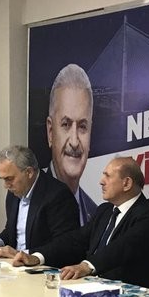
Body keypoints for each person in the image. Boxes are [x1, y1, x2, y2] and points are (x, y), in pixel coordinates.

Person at [13, 156, 149, 288]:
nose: (101, 181)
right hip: (90, 287)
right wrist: (37, 257)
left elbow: (122, 247)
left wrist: (86, 266)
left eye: (107, 176)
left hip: (126, 296)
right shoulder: (105, 210)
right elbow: (75, 240)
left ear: (126, 183)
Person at [0, 145, 79, 258]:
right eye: (3, 179)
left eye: (9, 179)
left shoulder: (58, 195)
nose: (6, 186)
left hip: (45, 266)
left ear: (29, 172)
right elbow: (12, 230)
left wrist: (24, 255)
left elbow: (65, 245)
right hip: (15, 264)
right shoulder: (14, 192)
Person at [46, 63, 98, 225]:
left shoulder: (96, 215)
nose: (74, 142)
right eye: (66, 124)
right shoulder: (30, 201)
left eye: (82, 127)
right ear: (50, 132)